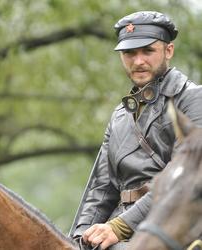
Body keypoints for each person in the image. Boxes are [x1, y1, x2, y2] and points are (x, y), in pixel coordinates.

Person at [69, 11, 202, 250]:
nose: (138, 61)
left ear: (168, 51)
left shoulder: (193, 99)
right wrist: (77, 239)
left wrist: (119, 227)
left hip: (173, 226)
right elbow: (101, 188)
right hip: (119, 232)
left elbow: (185, 177)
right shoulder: (120, 115)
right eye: (130, 53)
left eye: (148, 51)